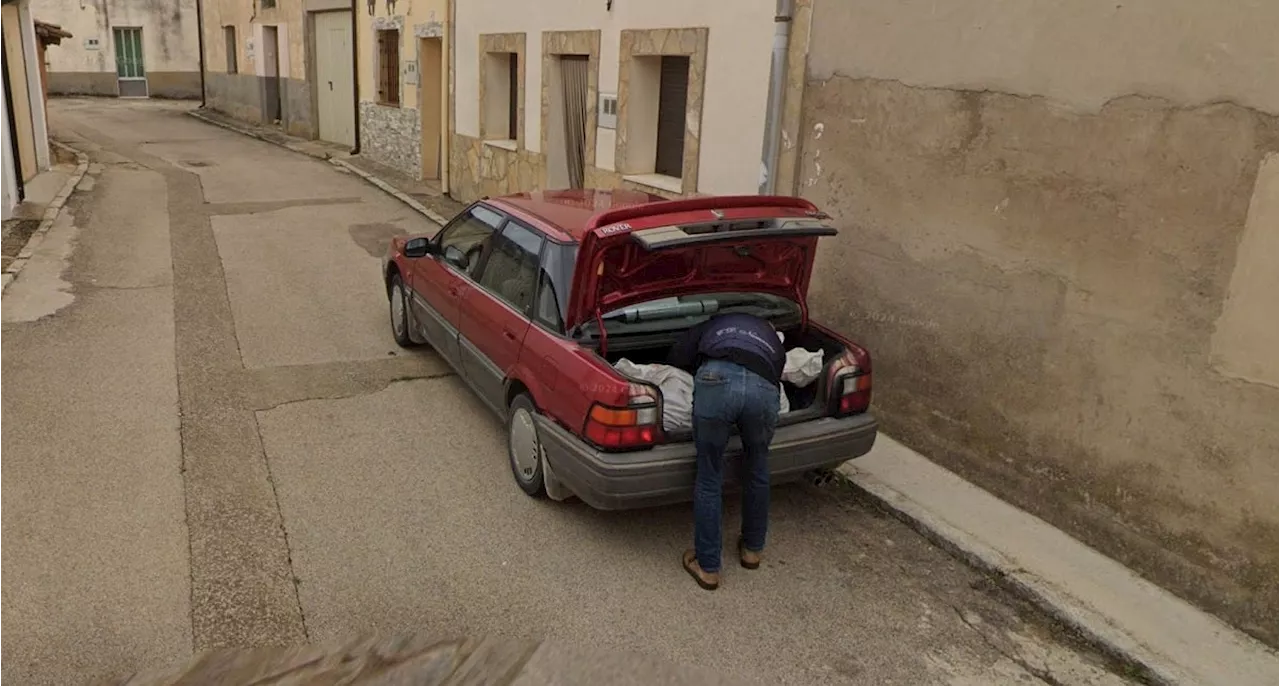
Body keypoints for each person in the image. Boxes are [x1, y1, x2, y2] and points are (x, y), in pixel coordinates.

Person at [668, 311, 785, 590]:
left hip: (715, 378)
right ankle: (752, 550)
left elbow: (677, 356)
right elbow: (777, 371)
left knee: (709, 475)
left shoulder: (711, 324)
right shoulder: (770, 336)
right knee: (757, 466)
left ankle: (708, 566)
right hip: (762, 388)